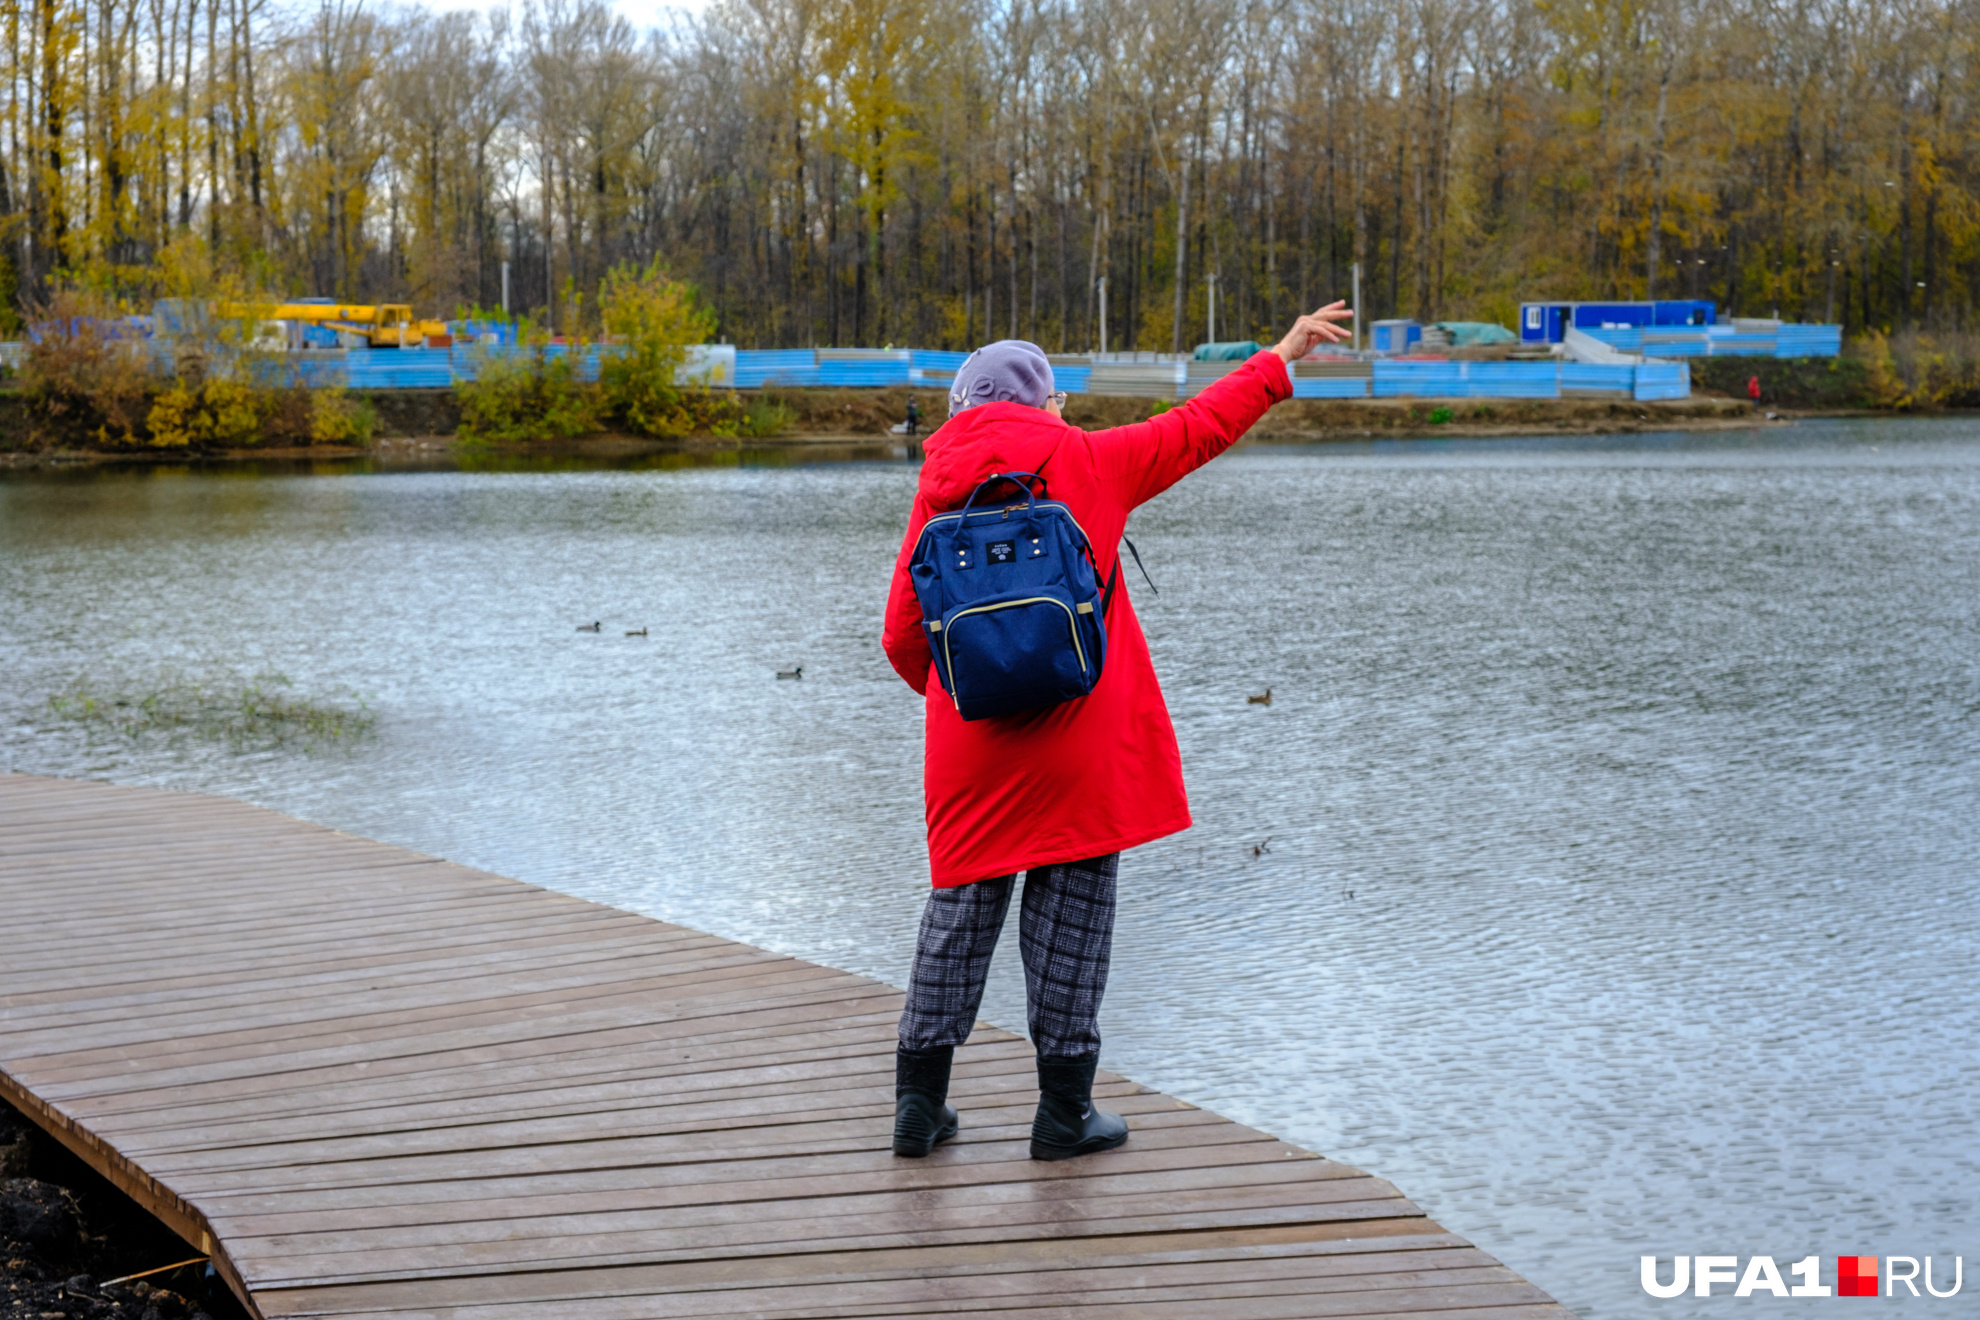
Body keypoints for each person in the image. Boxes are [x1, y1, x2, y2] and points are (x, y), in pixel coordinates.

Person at [882, 300, 1354, 1161]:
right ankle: (1064, 1115)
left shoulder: (937, 483)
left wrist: (968, 699)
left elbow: (903, 637)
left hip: (968, 753)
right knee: (1072, 920)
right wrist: (1280, 355)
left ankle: (921, 1105)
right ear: (1045, 403)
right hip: (1082, 744)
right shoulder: (1096, 462)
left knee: (959, 918)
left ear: (960, 408)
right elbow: (1200, 424)